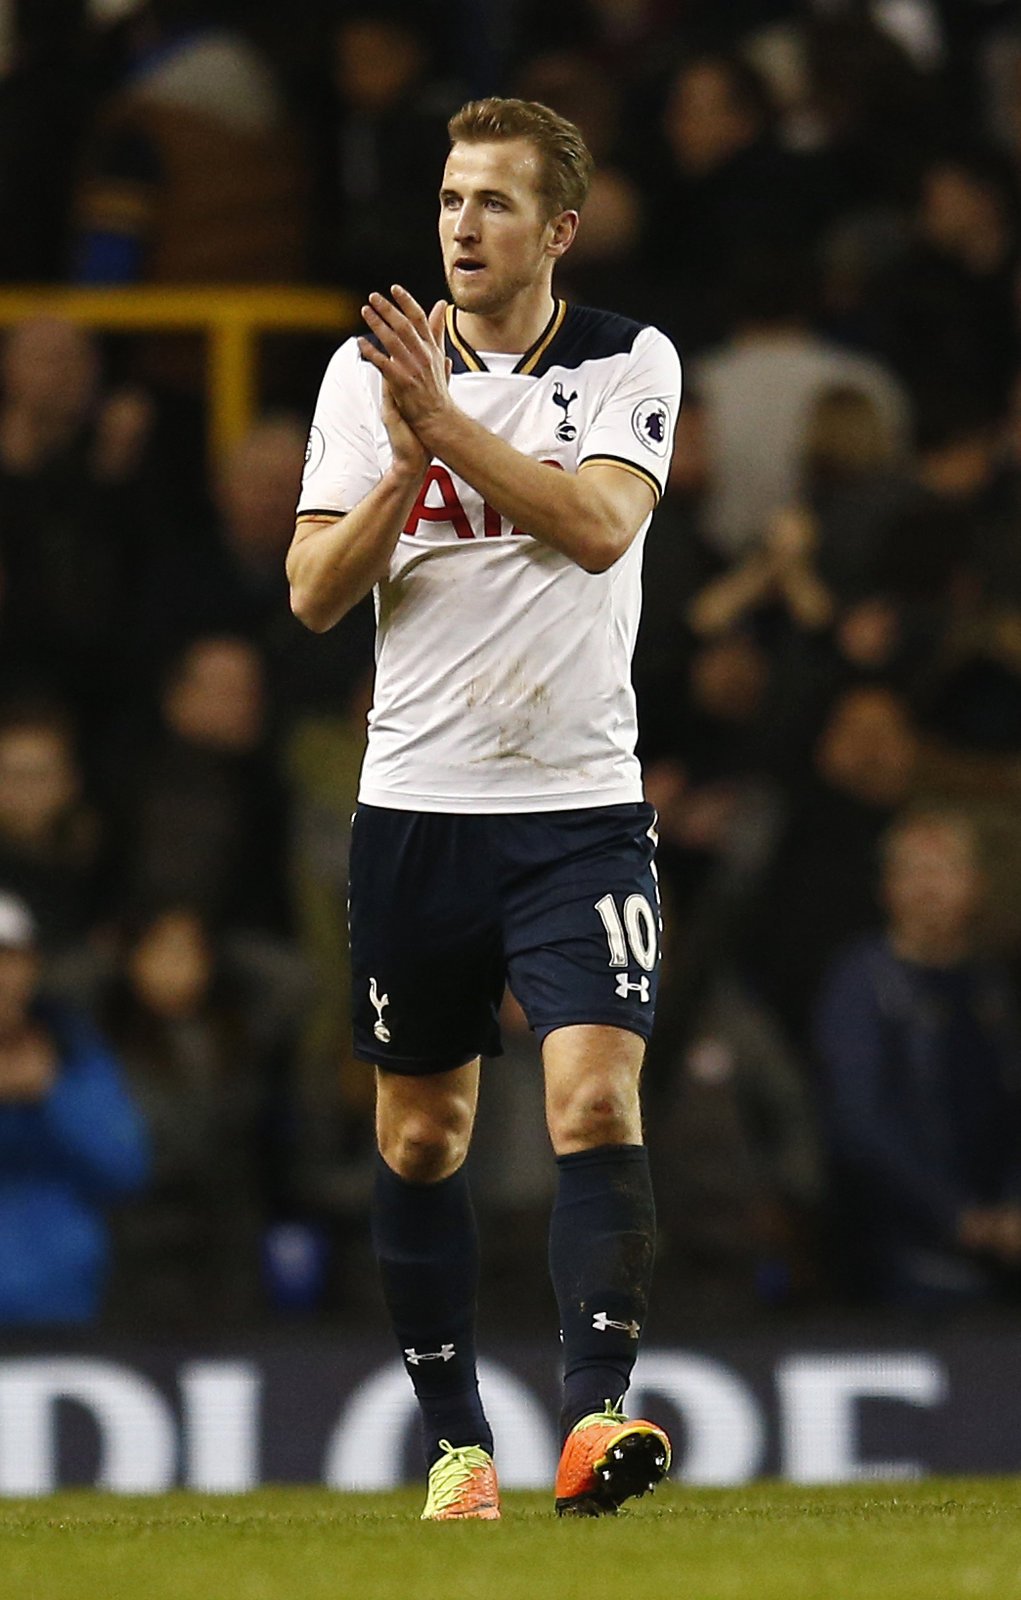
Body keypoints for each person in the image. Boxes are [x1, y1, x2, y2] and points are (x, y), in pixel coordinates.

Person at [287, 97, 681, 1520]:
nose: (462, 224)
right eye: (452, 199)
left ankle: (592, 1423)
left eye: (495, 203)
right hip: (418, 806)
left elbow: (594, 530)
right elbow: (316, 595)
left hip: (578, 804)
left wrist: (448, 421)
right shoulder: (363, 380)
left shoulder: (627, 358)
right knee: (421, 1140)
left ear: (557, 230)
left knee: (590, 1095)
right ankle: (460, 1447)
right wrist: (406, 459)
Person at [815, 806, 1021, 1306]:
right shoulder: (863, 985)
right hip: (899, 1259)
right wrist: (958, 1217)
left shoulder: (993, 987)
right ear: (886, 887)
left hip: (1002, 1250)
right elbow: (859, 1125)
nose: (928, 888)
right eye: (912, 871)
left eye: (944, 870)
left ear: (975, 882)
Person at [0, 891, 149, 1325]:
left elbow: (126, 1168)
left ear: (31, 968)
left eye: (8, 960)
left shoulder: (73, 1049)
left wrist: (52, 1093)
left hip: (59, 1317)